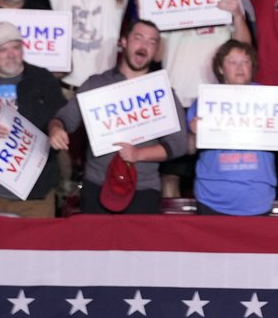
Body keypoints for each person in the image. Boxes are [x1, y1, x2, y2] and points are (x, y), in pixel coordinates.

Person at [48, 21, 186, 214]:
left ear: (156, 52)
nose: (144, 46)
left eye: (152, 42)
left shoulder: (163, 92)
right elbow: (65, 118)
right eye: (138, 38)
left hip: (144, 190)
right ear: (123, 42)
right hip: (97, 185)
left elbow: (178, 144)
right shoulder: (96, 84)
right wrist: (56, 128)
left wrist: (139, 155)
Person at [0, 21, 68, 217]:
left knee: (37, 247)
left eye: (16, 48)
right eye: (3, 50)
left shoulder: (43, 79)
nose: (11, 55)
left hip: (35, 196)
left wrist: (57, 128)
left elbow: (64, 116)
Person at [188, 40, 278, 217]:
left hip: (257, 199)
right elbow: (189, 148)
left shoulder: (270, 98)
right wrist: (193, 132)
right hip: (211, 199)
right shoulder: (206, 100)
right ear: (221, 68)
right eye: (233, 62)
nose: (240, 68)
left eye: (246, 62)